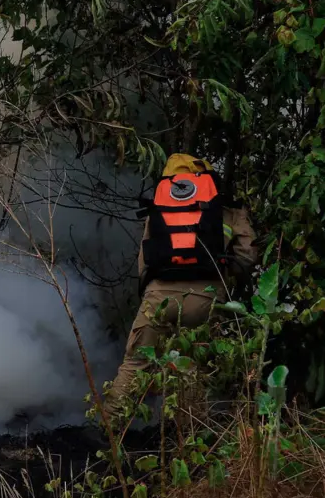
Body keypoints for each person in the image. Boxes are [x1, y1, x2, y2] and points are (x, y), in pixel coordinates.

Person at [107, 153, 258, 415]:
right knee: (193, 368)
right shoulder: (228, 210)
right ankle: (187, 439)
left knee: (135, 365)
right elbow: (247, 256)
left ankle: (107, 432)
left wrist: (151, 293)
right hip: (206, 299)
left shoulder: (159, 209)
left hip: (158, 297)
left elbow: (145, 263)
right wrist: (224, 277)